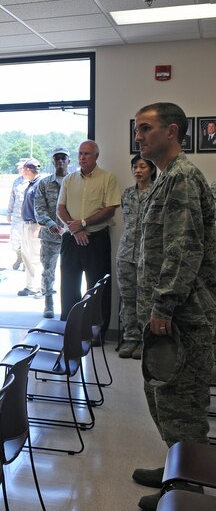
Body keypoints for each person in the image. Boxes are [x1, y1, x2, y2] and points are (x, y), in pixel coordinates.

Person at [130, 102, 216, 511]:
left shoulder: (182, 179)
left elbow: (184, 250)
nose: (138, 136)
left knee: (182, 404)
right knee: (164, 397)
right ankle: (176, 469)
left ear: (172, 131)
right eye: (137, 129)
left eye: (146, 128)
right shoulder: (164, 180)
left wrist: (163, 306)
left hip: (181, 316)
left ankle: (187, 492)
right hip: (166, 313)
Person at [56, 140, 119, 324]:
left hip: (96, 239)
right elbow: (60, 209)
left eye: (87, 154)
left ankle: (96, 330)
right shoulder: (69, 179)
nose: (82, 157)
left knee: (97, 287)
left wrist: (83, 223)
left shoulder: (108, 178)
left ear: (96, 156)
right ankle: (69, 327)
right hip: (71, 239)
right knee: (69, 285)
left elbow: (110, 209)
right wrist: (75, 230)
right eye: (80, 153)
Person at [116, 154, 156, 359]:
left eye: (142, 166)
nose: (138, 171)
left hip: (147, 255)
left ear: (151, 169)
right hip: (125, 254)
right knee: (128, 299)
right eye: (135, 167)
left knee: (146, 301)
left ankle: (145, 342)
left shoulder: (158, 193)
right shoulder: (127, 194)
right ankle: (130, 339)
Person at [34, 147, 70, 318]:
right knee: (48, 270)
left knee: (70, 273)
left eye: (63, 158)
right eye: (57, 159)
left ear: (69, 161)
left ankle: (69, 306)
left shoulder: (75, 182)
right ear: (53, 161)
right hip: (51, 236)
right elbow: (39, 209)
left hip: (72, 236)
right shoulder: (44, 183)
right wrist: (50, 224)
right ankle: (49, 302)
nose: (60, 161)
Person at [17, 158, 43, 299]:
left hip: (34, 225)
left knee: (35, 257)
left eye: (23, 169)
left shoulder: (39, 184)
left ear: (27, 170)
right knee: (27, 256)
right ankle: (30, 285)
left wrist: (38, 228)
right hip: (26, 224)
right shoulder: (31, 184)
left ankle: (38, 287)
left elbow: (41, 208)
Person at [6, 159, 30, 270]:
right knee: (15, 239)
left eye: (20, 168)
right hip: (16, 215)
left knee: (27, 241)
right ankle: (19, 257)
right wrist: (9, 212)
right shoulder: (16, 182)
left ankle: (26, 261)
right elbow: (12, 198)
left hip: (28, 216)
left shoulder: (32, 181)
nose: (18, 169)